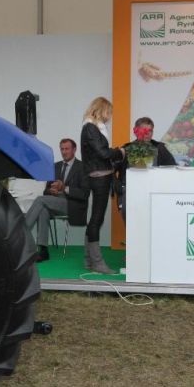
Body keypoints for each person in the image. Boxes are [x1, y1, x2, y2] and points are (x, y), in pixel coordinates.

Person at [25, 139, 89, 262]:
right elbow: (46, 192)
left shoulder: (82, 167)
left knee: (40, 200)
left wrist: (64, 188)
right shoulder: (55, 166)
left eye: (67, 149)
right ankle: (43, 250)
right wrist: (51, 191)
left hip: (72, 205)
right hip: (54, 204)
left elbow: (84, 194)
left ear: (74, 150)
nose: (64, 152)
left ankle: (20, 231)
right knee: (43, 209)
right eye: (62, 149)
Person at [80, 97, 124, 274]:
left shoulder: (90, 127)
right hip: (99, 178)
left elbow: (100, 152)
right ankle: (97, 263)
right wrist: (120, 152)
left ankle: (89, 260)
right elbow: (103, 153)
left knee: (96, 219)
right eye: (109, 112)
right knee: (97, 219)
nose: (110, 116)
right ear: (102, 109)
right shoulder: (91, 128)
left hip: (99, 176)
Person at [114, 116, 176, 221]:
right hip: (130, 197)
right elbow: (110, 170)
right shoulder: (126, 149)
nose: (148, 133)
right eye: (145, 130)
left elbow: (172, 169)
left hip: (154, 197)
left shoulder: (160, 148)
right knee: (133, 230)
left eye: (150, 131)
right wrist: (120, 188)